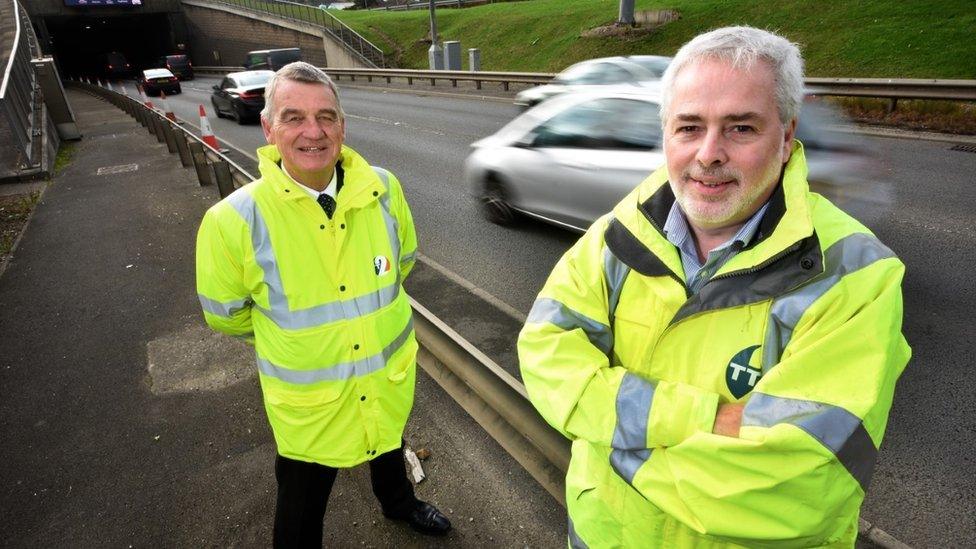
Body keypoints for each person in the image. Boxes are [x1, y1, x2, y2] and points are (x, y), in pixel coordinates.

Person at [517, 26, 910, 547]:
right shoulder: (622, 231)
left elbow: (790, 491)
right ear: (665, 134)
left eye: (740, 128)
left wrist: (609, 437)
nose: (708, 153)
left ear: (787, 137)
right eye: (688, 127)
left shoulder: (856, 276)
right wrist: (706, 418)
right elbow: (544, 354)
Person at [195, 61, 450, 547]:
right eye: (293, 117)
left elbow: (404, 262)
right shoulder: (232, 221)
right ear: (268, 129)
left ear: (342, 126)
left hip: (384, 378)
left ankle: (400, 505)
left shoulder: (383, 189)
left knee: (389, 449)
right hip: (311, 406)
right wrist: (297, 339)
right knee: (300, 507)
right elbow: (225, 316)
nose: (313, 132)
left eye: (326, 117)